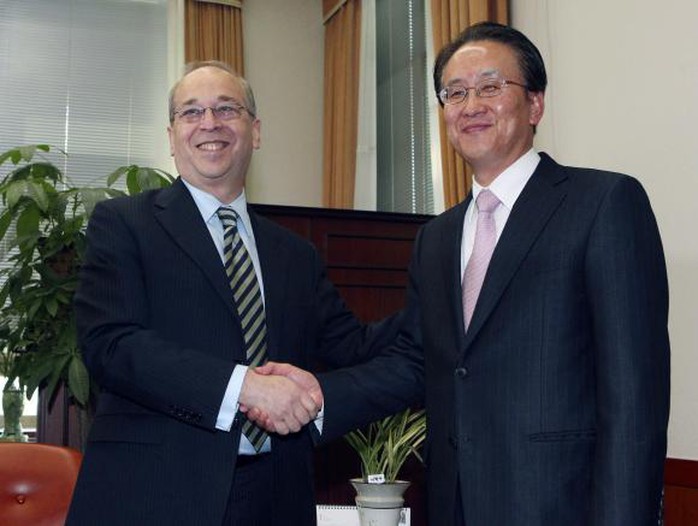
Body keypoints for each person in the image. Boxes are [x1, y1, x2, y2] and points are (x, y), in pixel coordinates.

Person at [262, 21, 670, 526]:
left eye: (491, 87)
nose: (470, 104)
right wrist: (318, 396)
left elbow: (634, 397)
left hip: (563, 507)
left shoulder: (603, 204)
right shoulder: (436, 239)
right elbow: (416, 363)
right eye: (455, 93)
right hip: (454, 505)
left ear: (535, 103)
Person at [66, 61, 419, 526]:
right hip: (154, 494)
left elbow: (352, 349)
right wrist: (243, 387)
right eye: (192, 112)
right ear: (171, 138)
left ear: (254, 132)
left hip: (274, 497)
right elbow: (111, 344)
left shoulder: (296, 254)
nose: (209, 123)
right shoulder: (124, 223)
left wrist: (442, 298)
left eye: (226, 109)